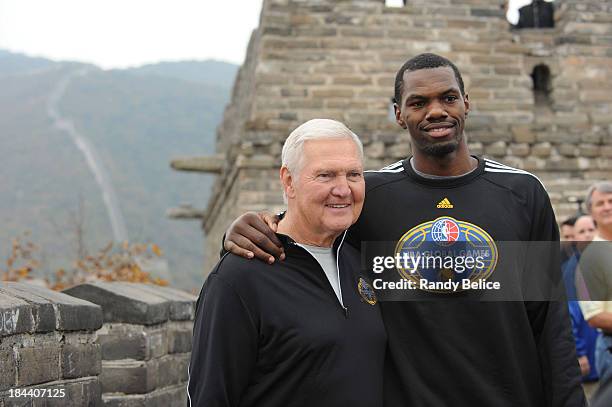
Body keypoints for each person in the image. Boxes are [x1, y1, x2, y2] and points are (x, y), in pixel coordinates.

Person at [223, 53, 585, 406]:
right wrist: (246, 231)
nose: (437, 110)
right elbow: (305, 234)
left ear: (466, 103)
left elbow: (552, 323)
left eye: (448, 98)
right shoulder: (373, 196)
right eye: (418, 102)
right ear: (398, 114)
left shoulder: (523, 192)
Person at [187, 119, 387, 407]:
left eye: (353, 174)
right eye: (326, 175)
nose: (343, 189)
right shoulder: (239, 278)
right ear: (289, 181)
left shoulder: (361, 260)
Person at [578, 182, 612, 389]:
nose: (607, 207)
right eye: (600, 203)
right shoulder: (588, 259)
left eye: (611, 201)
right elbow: (594, 316)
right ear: (592, 212)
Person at [563, 215, 599, 397]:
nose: (587, 235)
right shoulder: (573, 270)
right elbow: (570, 315)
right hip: (591, 355)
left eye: (591, 230)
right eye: (581, 232)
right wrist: (579, 352)